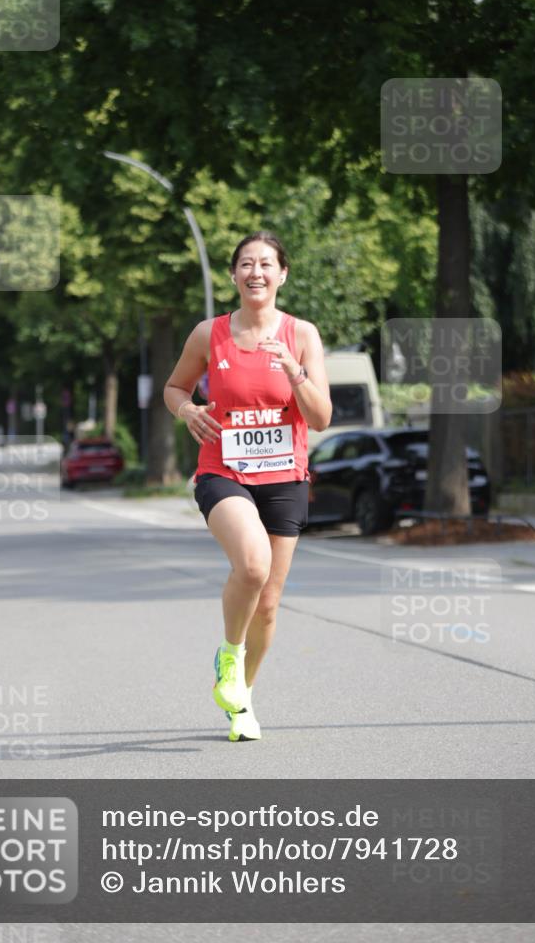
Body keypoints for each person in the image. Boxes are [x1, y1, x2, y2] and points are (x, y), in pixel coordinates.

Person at [164, 232, 332, 741]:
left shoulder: (302, 334)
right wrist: (188, 408)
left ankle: (241, 701)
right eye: (245, 264)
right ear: (234, 275)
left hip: (285, 477)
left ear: (282, 274)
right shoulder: (208, 334)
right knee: (253, 565)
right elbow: (175, 388)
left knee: (269, 601)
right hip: (224, 471)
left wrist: (295, 372)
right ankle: (229, 655)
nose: (255, 272)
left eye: (266, 264)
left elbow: (321, 418)